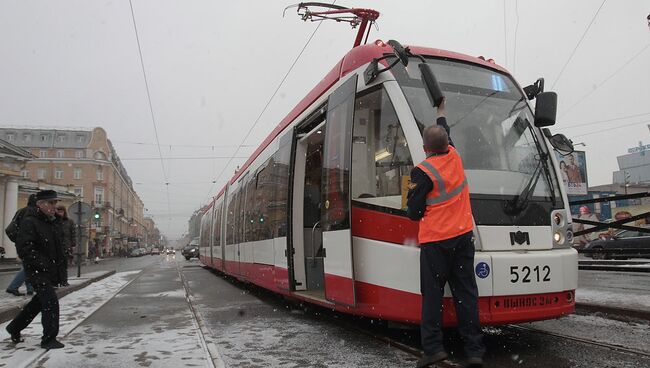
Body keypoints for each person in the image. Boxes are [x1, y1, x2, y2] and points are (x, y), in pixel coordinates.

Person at [407, 98, 484, 368]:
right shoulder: (455, 156)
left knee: (433, 297)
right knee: (466, 295)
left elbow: (413, 212)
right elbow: (445, 132)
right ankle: (474, 351)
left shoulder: (423, 171)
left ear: (425, 148)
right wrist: (441, 112)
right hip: (463, 238)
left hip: (435, 243)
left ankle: (433, 349)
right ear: (447, 144)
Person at [6, 190, 66, 349]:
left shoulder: (50, 221)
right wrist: (41, 263)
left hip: (49, 269)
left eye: (55, 203)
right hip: (37, 270)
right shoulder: (30, 221)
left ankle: (14, 327)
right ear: (40, 204)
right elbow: (25, 247)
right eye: (50, 203)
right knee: (51, 302)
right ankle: (49, 339)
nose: (54, 206)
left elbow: (56, 246)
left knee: (38, 303)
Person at [5, 194, 37, 296]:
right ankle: (13, 286)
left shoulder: (21, 211)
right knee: (29, 266)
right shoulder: (33, 212)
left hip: (22, 242)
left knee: (28, 265)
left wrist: (18, 240)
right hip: (29, 243)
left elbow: (12, 228)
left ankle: (30, 288)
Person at [55, 205, 76, 286]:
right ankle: (56, 281)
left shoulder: (69, 221)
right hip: (56, 245)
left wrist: (73, 244)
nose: (60, 213)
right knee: (56, 265)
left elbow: (73, 233)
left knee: (64, 265)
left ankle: (64, 281)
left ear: (64, 212)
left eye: (61, 211)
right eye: (58, 211)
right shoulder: (54, 221)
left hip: (66, 245)